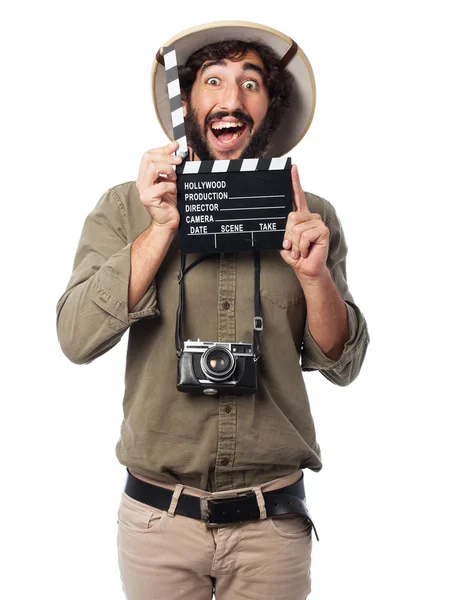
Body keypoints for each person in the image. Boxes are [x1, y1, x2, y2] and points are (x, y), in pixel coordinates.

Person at [56, 20, 370, 600]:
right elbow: (75, 338)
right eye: (213, 81)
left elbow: (343, 364)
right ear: (187, 103)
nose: (231, 98)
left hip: (271, 527)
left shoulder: (310, 216)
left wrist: (314, 275)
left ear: (270, 106)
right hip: (157, 524)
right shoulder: (125, 207)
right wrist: (158, 232)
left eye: (251, 83)